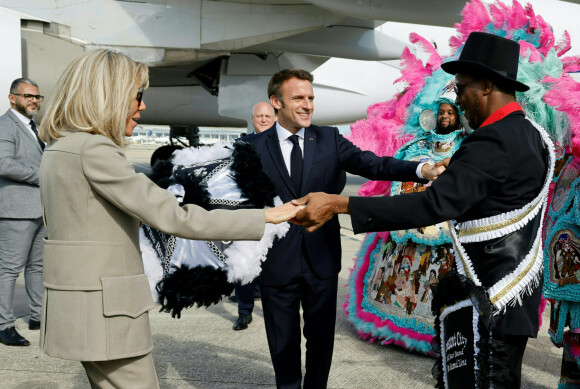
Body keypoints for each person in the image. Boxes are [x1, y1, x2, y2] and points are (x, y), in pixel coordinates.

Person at [294, 32, 553, 388]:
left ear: (487, 86)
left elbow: (433, 204)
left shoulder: (491, 141)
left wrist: (341, 203)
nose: (458, 99)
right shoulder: (532, 134)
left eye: (462, 88)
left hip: (489, 295)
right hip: (513, 295)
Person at [37, 49, 302, 389]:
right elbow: (174, 218)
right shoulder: (95, 150)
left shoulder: (60, 148)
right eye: (137, 96)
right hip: (107, 312)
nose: (142, 106)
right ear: (110, 96)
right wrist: (267, 216)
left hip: (77, 304)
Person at [242, 68, 444, 389]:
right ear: (275, 102)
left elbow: (375, 164)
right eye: (298, 98)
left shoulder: (328, 139)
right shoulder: (251, 146)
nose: (308, 105)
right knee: (282, 342)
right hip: (276, 260)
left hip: (320, 259)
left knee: (321, 339)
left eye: (311, 98)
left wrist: (420, 169)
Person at [0, 78, 46, 347]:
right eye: (28, 96)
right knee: (8, 269)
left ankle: (38, 316)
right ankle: (3, 324)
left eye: (37, 97)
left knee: (38, 266)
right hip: (16, 211)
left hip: (40, 210)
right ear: (12, 97)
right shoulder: (6, 125)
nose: (34, 101)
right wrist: (41, 177)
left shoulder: (33, 126)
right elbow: (3, 163)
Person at [231, 102, 276, 331]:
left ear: (275, 117)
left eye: (268, 116)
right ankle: (244, 312)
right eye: (259, 116)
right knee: (244, 264)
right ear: (253, 118)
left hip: (277, 211)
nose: (264, 119)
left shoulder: (284, 145)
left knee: (274, 266)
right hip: (249, 211)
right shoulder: (243, 145)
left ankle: (274, 312)